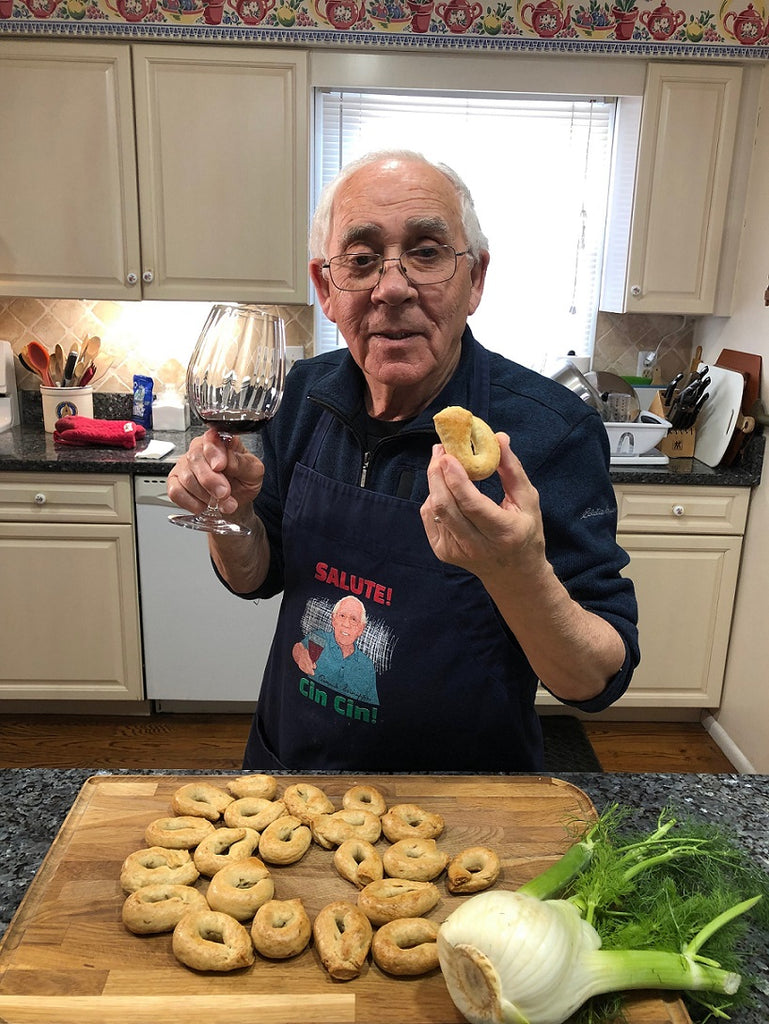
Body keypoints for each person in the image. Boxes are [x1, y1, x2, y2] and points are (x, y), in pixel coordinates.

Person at [167, 148, 639, 772]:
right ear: (326, 289)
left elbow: (596, 679)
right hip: (291, 778)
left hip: (466, 807)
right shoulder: (299, 398)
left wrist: (515, 571)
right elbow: (256, 576)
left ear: (475, 280)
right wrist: (234, 518)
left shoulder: (549, 429)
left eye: (427, 253)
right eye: (360, 261)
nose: (392, 288)